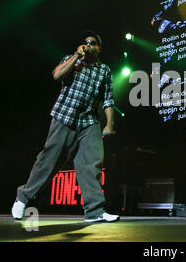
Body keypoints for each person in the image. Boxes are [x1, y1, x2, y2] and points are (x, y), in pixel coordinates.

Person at [11, 31, 119, 223]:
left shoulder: (105, 71)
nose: (88, 45)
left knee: (92, 164)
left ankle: (94, 211)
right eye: (85, 42)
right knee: (49, 161)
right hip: (64, 117)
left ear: (99, 48)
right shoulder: (72, 59)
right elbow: (57, 75)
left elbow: (108, 99)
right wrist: (77, 56)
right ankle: (23, 197)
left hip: (89, 122)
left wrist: (109, 124)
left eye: (92, 43)